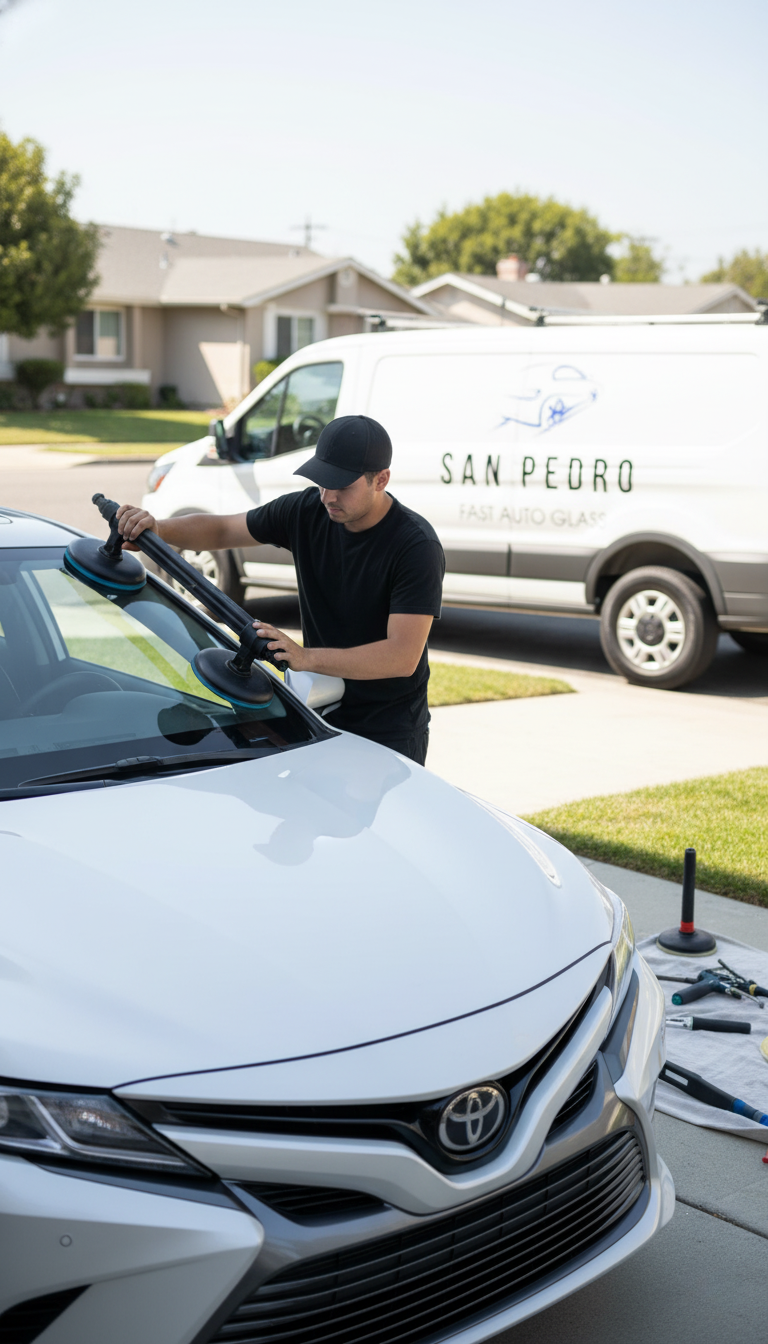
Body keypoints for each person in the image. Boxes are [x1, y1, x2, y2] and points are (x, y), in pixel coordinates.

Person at [117, 415, 445, 764]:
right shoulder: (307, 511)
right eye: (322, 481)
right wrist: (158, 529)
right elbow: (224, 530)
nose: (328, 496)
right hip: (316, 714)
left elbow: (402, 656)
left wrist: (305, 658)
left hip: (388, 731)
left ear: (381, 479)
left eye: (342, 485)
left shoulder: (415, 546)